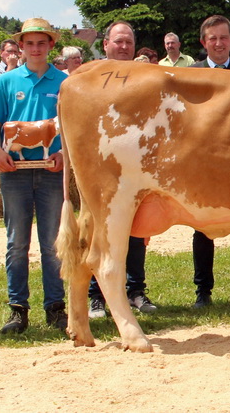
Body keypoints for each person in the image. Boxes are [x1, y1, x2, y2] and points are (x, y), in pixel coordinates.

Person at [0, 18, 69, 334]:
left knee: (52, 243)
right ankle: (18, 308)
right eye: (29, 43)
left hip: (51, 173)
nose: (35, 48)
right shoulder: (7, 82)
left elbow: (73, 130)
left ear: (50, 46)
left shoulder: (63, 83)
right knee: (16, 242)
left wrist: (65, 154)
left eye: (41, 43)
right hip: (15, 174)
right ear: (20, 46)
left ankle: (56, 307)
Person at [87, 21, 156, 318]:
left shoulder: (146, 77)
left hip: (137, 166)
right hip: (101, 167)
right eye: (118, 41)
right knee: (98, 229)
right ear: (105, 44)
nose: (124, 46)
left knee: (137, 230)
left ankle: (136, 290)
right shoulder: (91, 78)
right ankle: (96, 296)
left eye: (128, 41)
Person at [189, 15, 230, 307]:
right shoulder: (190, 75)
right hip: (202, 162)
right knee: (202, 227)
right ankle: (203, 292)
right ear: (204, 43)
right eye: (212, 38)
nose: (218, 43)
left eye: (223, 37)